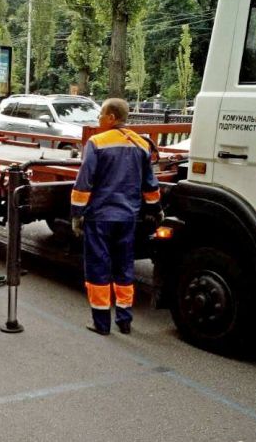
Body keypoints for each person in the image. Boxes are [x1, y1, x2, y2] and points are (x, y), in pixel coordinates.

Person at [70, 98, 161, 336]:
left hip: (100, 217)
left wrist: (76, 214)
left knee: (99, 267)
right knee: (124, 267)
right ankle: (124, 319)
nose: (98, 119)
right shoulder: (141, 144)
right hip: (128, 217)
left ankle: (101, 323)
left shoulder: (97, 143)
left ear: (111, 117)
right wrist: (155, 209)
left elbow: (84, 183)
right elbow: (150, 184)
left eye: (101, 114)